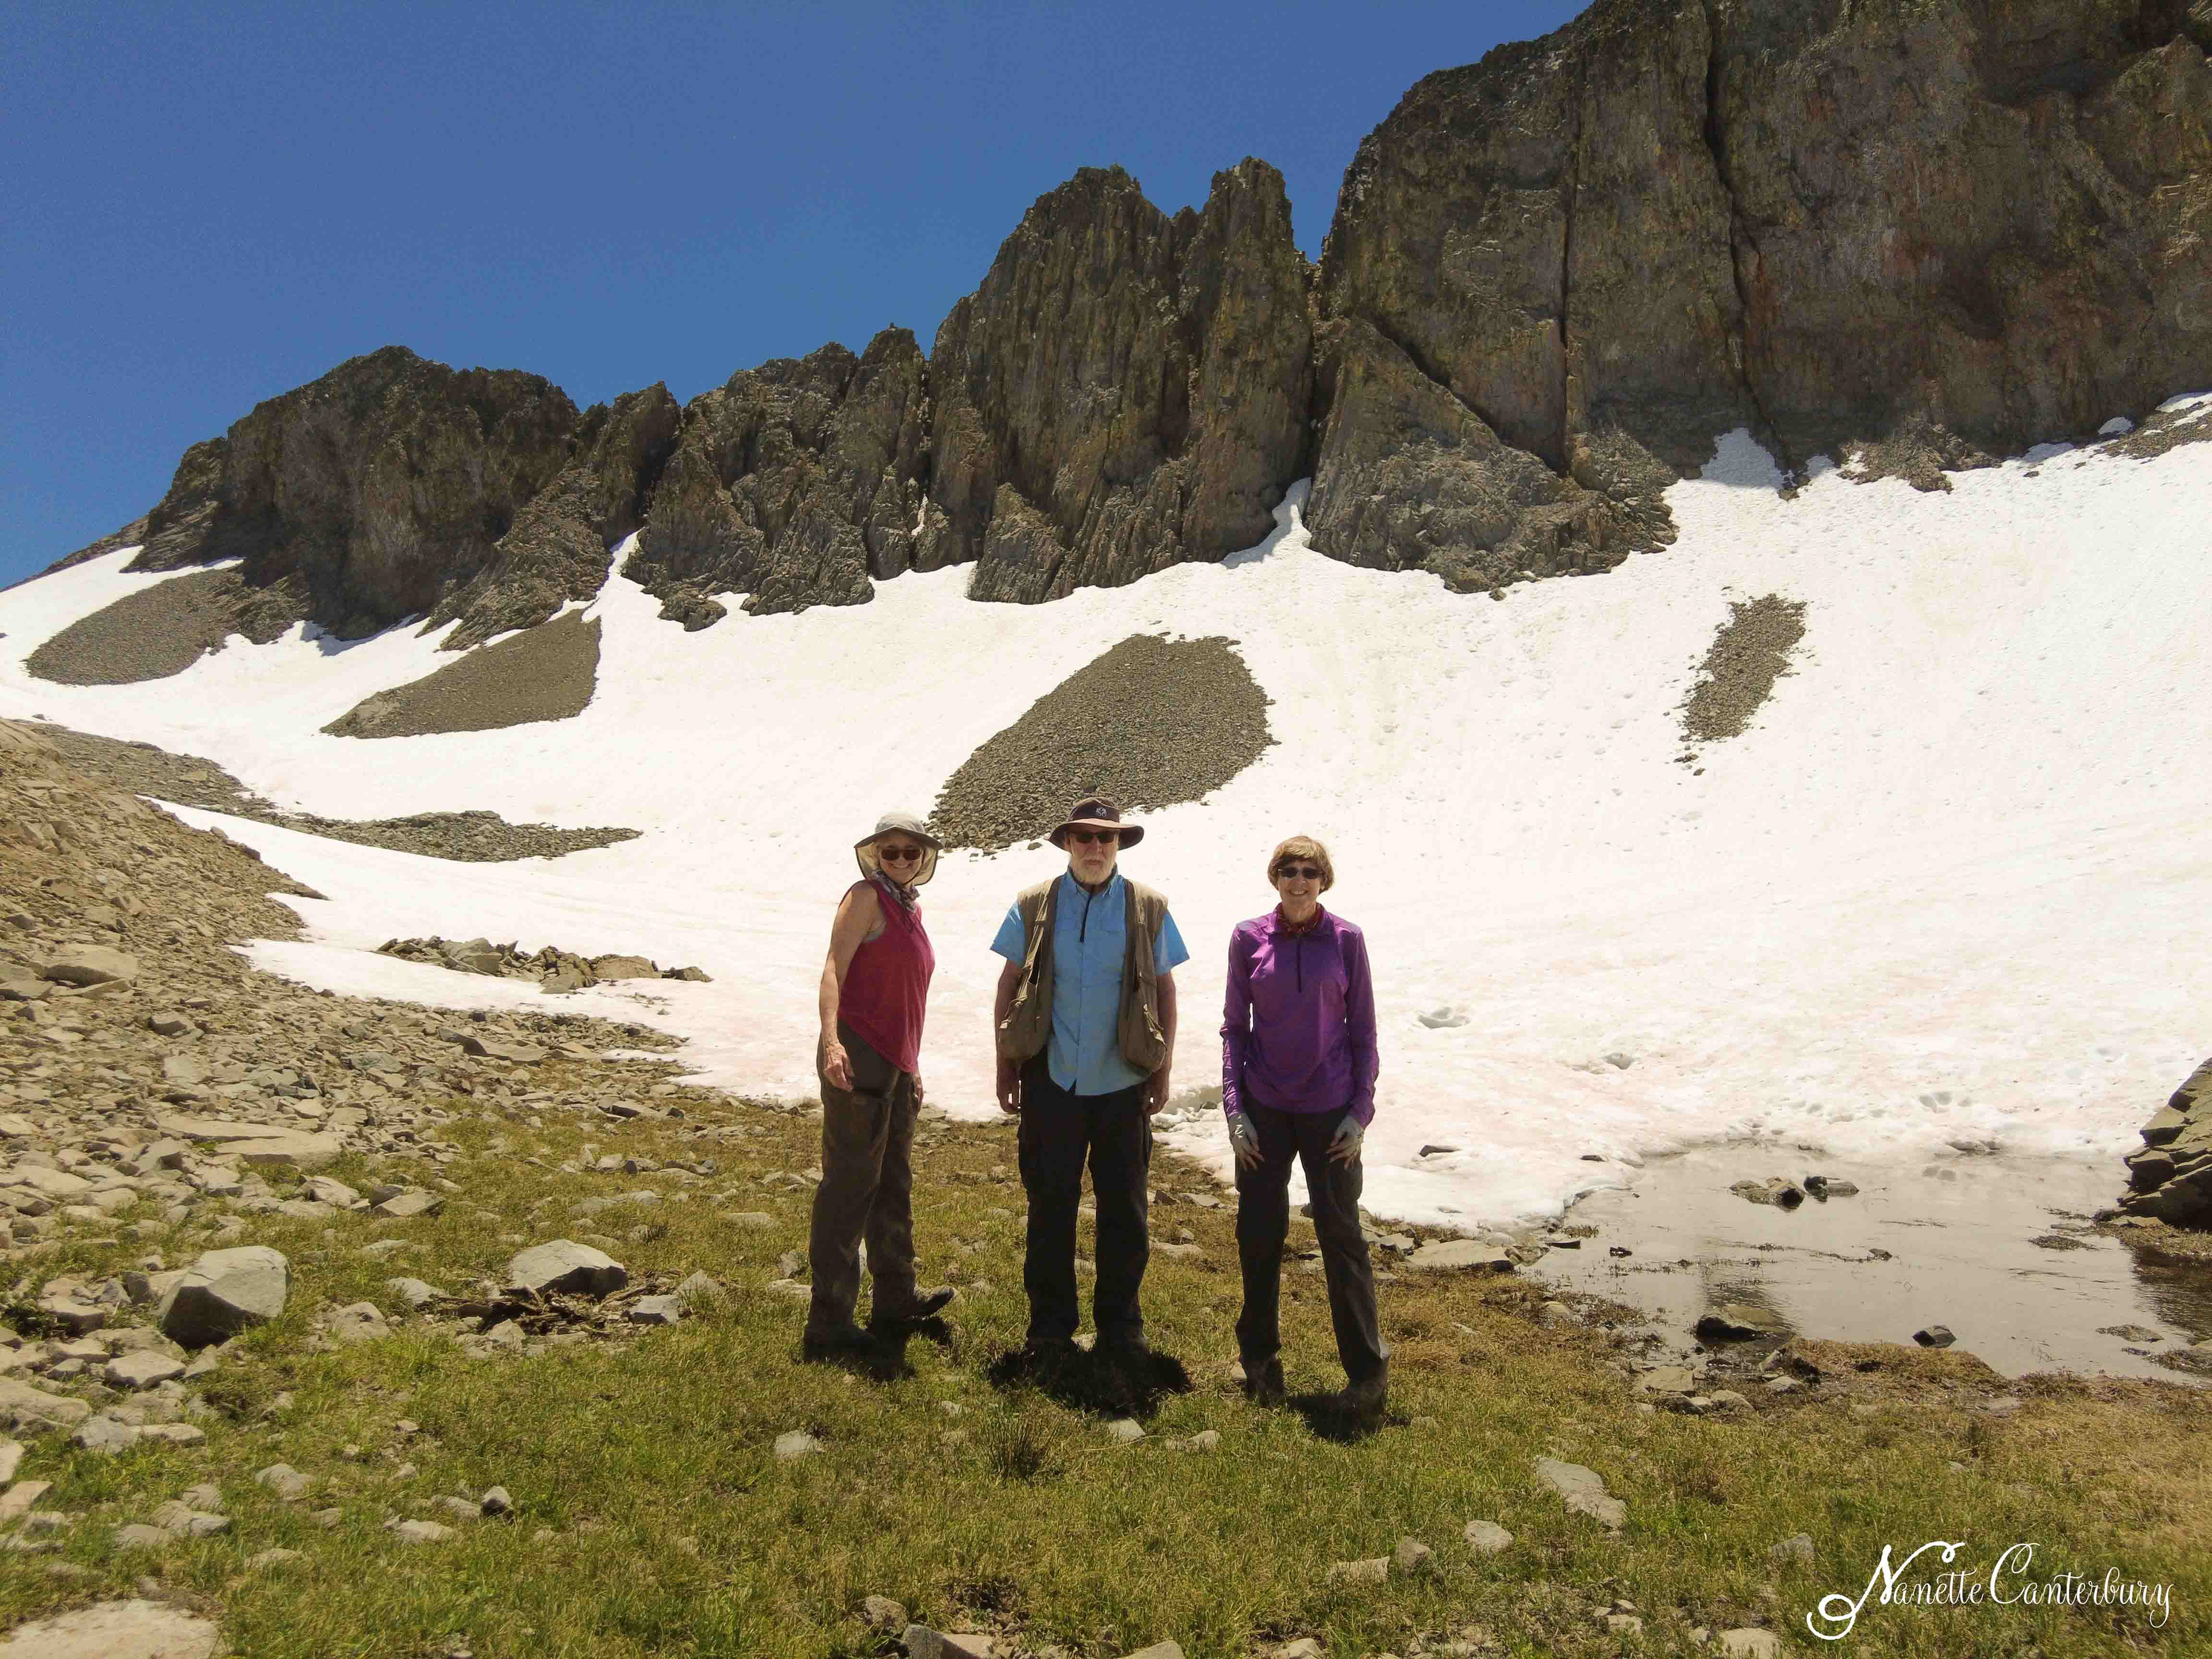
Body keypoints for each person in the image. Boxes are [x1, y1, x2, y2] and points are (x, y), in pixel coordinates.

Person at [991, 795, 1189, 1363]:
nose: (1096, 848)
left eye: (1107, 838)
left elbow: (1166, 990)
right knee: (1050, 1205)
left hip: (1122, 1081)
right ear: (1066, 844)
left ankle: (1121, 1328)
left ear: (1119, 845)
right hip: (1052, 1081)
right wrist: (1006, 1064)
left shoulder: (1148, 906)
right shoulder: (1033, 904)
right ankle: (1050, 1329)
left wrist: (1162, 1068)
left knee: (1124, 1210)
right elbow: (1008, 984)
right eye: (1085, 838)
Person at [1221, 834, 1387, 1415]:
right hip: (1265, 1108)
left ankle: (1367, 1375)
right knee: (1259, 1234)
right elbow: (1233, 1030)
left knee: (1342, 1239)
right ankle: (1259, 1361)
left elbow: (1364, 1032)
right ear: (1274, 878)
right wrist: (1235, 1108)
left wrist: (1359, 1112)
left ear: (1324, 879)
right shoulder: (1248, 938)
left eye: (1309, 871)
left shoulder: (1346, 940)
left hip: (1329, 1112)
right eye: (1288, 870)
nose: (1299, 880)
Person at [804, 811, 956, 1358]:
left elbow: (906, 996)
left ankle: (896, 1300)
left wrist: (912, 1067)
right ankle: (829, 1322)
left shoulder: (909, 909)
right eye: (889, 852)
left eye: (910, 853)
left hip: (895, 1064)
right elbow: (833, 971)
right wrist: (831, 1042)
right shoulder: (865, 897)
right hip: (858, 1056)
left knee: (892, 1182)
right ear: (875, 856)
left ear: (923, 860)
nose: (900, 860)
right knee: (849, 1186)